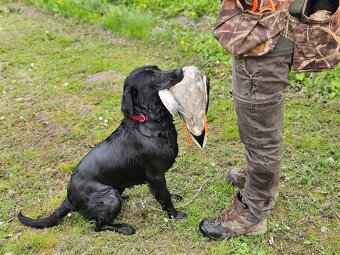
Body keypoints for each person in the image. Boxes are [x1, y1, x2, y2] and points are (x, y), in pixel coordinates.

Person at [198, 0, 329, 240]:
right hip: (256, 30)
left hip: (266, 38)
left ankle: (254, 211)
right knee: (256, 125)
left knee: (259, 132)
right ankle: (257, 177)